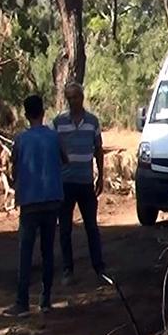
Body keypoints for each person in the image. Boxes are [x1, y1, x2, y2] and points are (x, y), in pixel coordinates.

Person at [4, 95, 64, 317]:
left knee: (26, 252)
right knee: (47, 251)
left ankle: (22, 303)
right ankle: (46, 300)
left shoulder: (20, 140)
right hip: (51, 199)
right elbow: (64, 159)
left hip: (29, 201)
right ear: (43, 112)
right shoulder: (54, 137)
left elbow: (14, 169)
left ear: (26, 114)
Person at [53, 83, 106, 281]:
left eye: (75, 97)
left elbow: (98, 149)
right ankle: (68, 269)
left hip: (85, 182)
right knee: (65, 228)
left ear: (82, 97)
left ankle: (99, 267)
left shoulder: (92, 121)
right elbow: (52, 149)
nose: (72, 101)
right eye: (69, 98)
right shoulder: (59, 122)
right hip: (65, 183)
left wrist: (101, 175)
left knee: (91, 226)